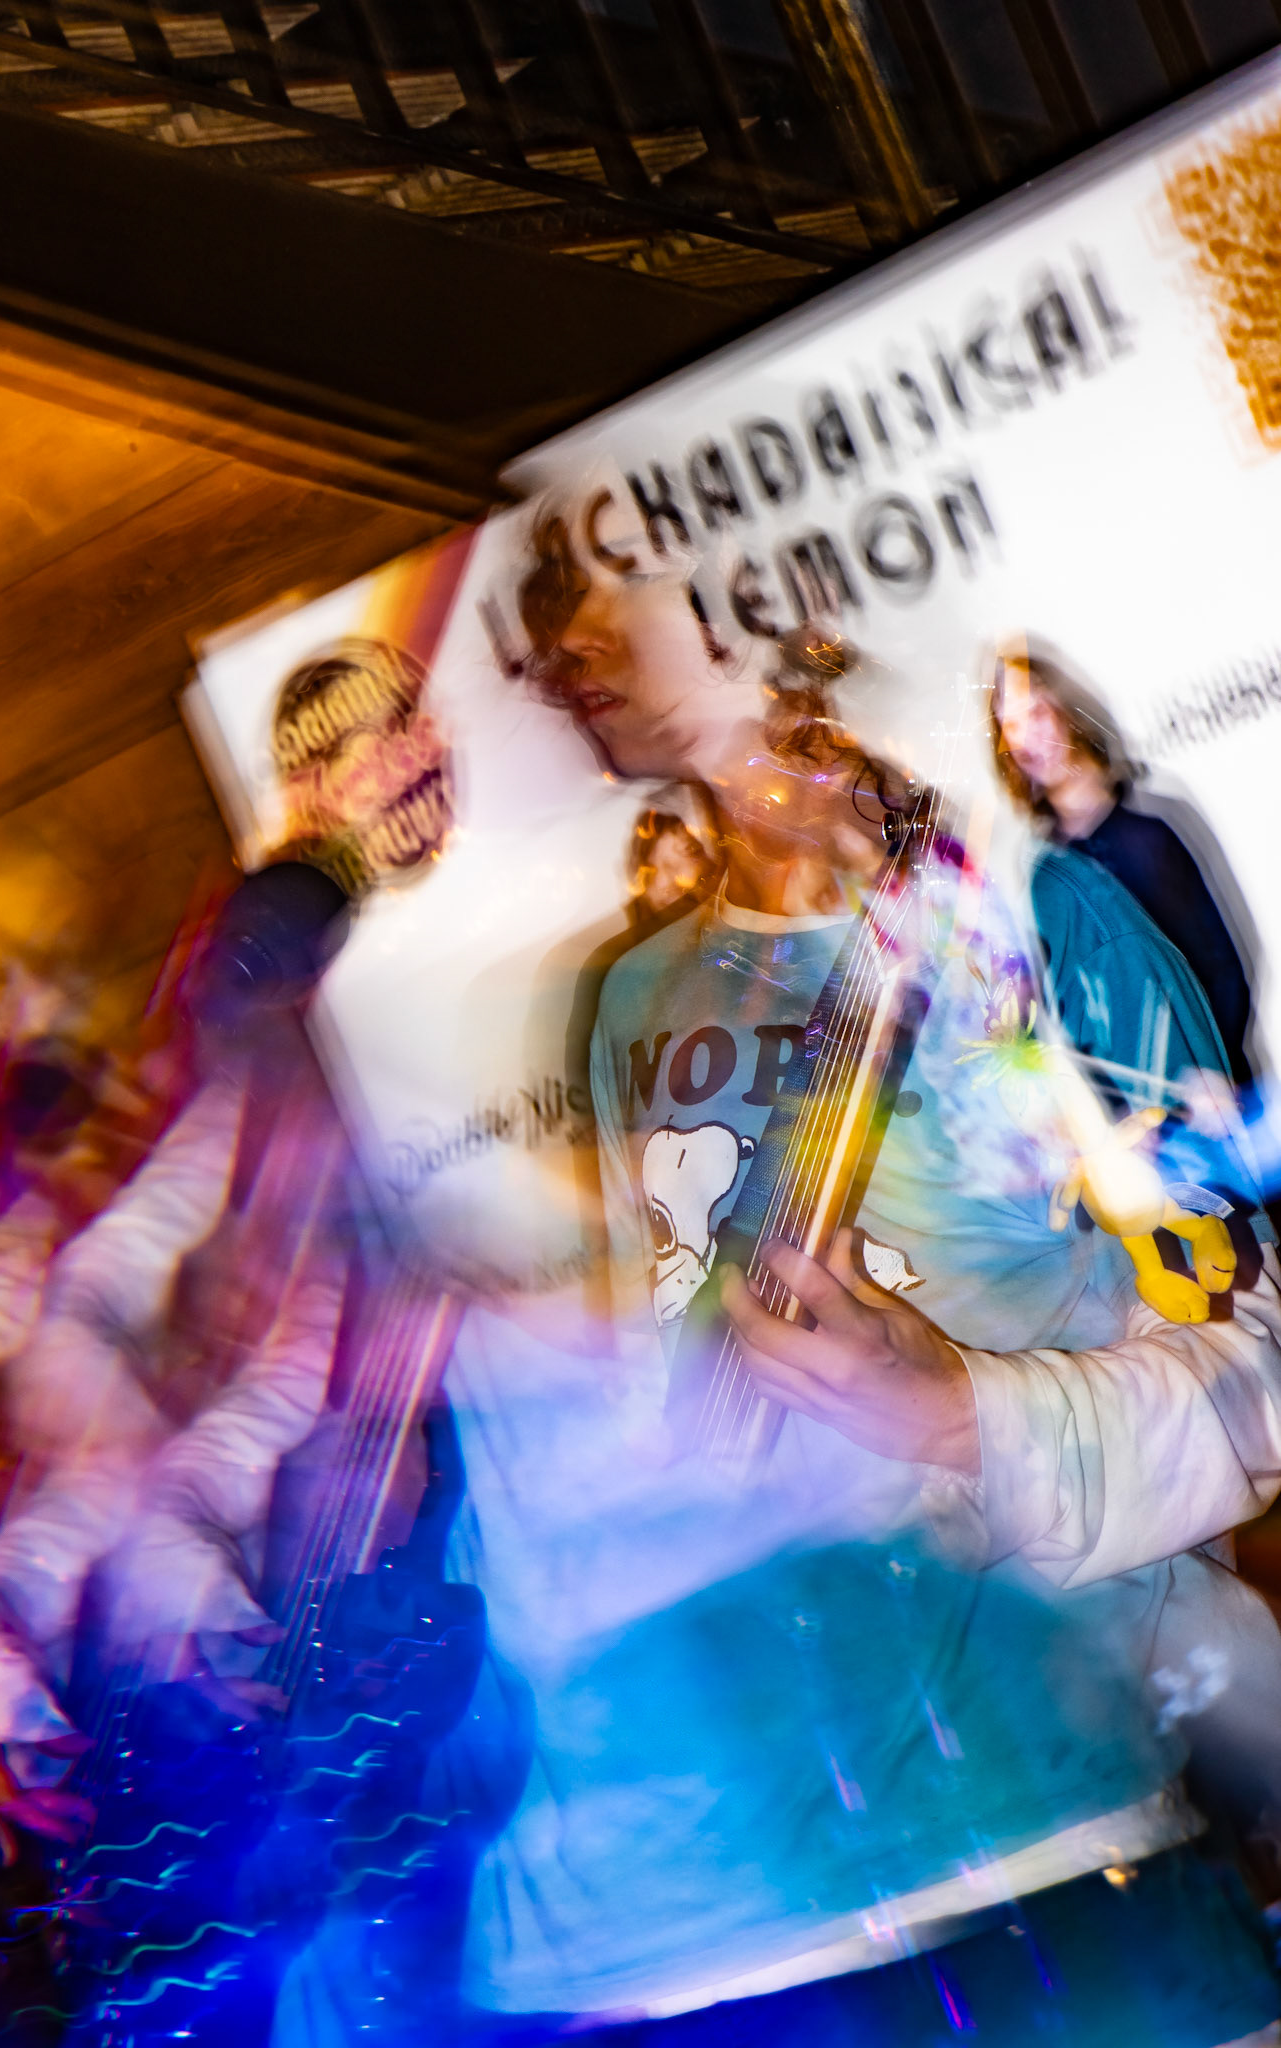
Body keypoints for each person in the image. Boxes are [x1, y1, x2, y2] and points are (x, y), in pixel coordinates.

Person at [445, 515, 1281, 2047]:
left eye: (608, 589)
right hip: (813, 1854)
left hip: (1080, 1748)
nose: (560, 653)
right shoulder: (634, 997)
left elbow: (1219, 1310)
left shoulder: (1015, 904)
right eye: (545, 625)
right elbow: (698, 1369)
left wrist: (969, 1424)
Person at [991, 650, 1256, 1090]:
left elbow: (1225, 963)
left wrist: (1214, 1076)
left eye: (1035, 713)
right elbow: (1077, 1016)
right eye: (1011, 726)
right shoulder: (1045, 877)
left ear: (1065, 708)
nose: (1027, 740)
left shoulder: (1152, 820)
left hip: (1228, 1093)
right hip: (1144, 1118)